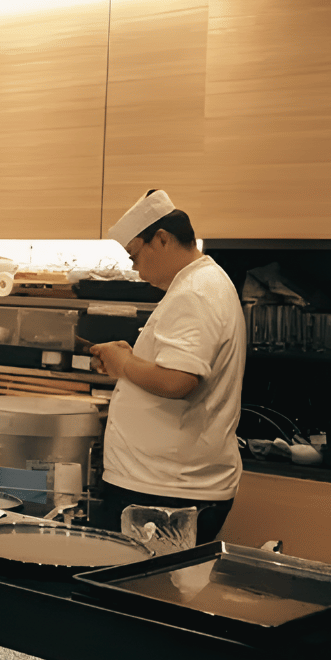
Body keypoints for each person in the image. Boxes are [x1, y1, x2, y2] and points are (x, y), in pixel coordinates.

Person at [87, 190, 245, 543]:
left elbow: (178, 381)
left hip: (166, 493)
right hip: (165, 485)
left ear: (161, 239)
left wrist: (124, 364)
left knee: (140, 592)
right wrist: (128, 362)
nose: (133, 267)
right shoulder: (202, 283)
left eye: (134, 254)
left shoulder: (195, 292)